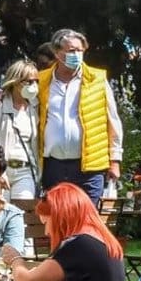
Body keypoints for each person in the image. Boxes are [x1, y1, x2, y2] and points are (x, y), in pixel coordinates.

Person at [4, 182, 125, 281]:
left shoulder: (78, 246)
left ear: (60, 217)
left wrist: (15, 260)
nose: (46, 232)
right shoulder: (101, 242)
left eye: (46, 223)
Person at [36, 28, 123, 206]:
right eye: (71, 50)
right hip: (54, 165)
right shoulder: (41, 80)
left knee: (88, 222)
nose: (76, 54)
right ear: (56, 52)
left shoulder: (97, 79)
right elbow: (17, 92)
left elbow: (112, 121)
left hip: (90, 167)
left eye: (79, 50)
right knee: (58, 220)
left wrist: (115, 160)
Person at [0, 59, 40, 197]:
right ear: (15, 81)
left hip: (25, 171)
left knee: (23, 213)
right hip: (0, 170)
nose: (33, 85)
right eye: (28, 81)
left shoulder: (35, 107)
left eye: (36, 81)